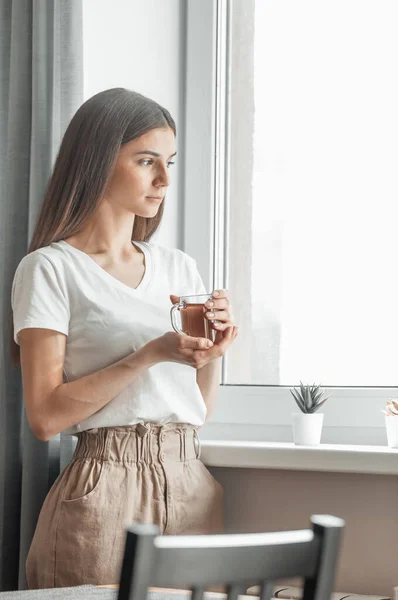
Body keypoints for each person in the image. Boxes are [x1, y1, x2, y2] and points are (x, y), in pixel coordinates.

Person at [10, 88, 238, 589]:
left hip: (188, 479)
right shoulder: (50, 269)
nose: (164, 179)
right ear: (96, 161)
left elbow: (196, 410)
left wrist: (213, 355)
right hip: (102, 491)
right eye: (146, 161)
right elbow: (45, 417)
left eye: (169, 162)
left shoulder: (179, 267)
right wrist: (149, 354)